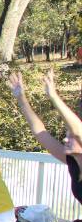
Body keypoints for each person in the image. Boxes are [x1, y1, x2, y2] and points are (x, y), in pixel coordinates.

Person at [7, 69, 82, 204]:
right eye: (67, 135)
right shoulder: (73, 162)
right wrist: (21, 98)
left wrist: (53, 96)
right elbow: (40, 132)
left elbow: (77, 130)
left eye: (71, 137)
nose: (65, 139)